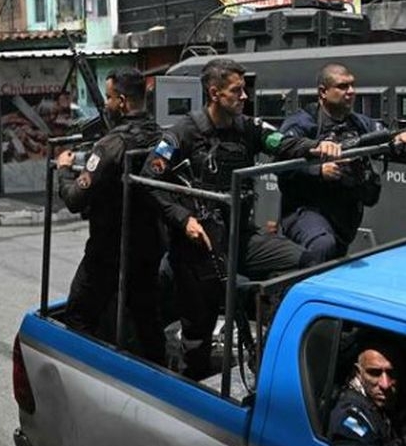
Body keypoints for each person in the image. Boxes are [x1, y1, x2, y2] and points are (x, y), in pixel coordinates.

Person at [142, 58, 340, 379]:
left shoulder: (247, 127)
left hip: (239, 235)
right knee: (198, 338)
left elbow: (282, 142)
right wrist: (184, 219)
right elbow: (150, 179)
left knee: (305, 261)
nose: (244, 96)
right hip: (199, 247)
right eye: (237, 90)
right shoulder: (183, 133)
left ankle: (267, 345)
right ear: (214, 93)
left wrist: (317, 148)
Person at [56, 68, 166, 363]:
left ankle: (87, 375)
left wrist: (64, 170)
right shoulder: (161, 136)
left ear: (122, 101)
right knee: (147, 321)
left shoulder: (111, 145)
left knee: (78, 315)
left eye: (109, 97)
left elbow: (75, 199)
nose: (106, 104)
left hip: (108, 250)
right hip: (148, 246)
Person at [278, 63, 406, 263]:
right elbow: (279, 162)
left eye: (352, 85)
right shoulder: (303, 123)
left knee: (334, 258)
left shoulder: (359, 123)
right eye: (342, 86)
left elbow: (385, 136)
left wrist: (402, 138)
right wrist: (319, 170)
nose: (351, 92)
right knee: (322, 246)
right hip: (306, 210)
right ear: (323, 92)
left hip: (344, 215)